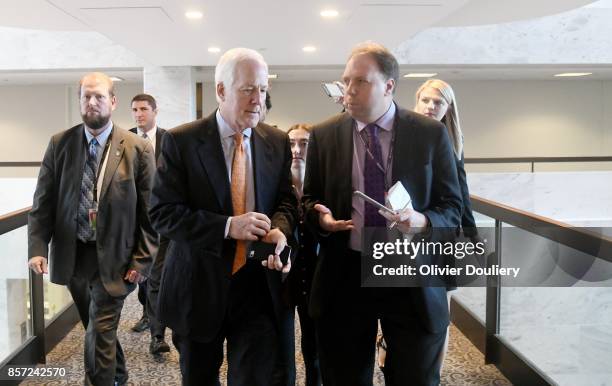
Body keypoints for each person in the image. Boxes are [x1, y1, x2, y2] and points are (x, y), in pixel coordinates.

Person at [302, 42, 462, 386]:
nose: (349, 90)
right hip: (345, 274)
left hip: (410, 274)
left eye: (360, 81)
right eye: (346, 81)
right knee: (344, 377)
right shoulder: (325, 134)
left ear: (389, 86)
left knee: (414, 377)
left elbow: (452, 206)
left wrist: (422, 220)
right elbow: (310, 200)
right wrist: (322, 220)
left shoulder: (430, 134)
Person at [149, 48, 297, 386]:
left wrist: (278, 230)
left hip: (258, 286)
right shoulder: (181, 141)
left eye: (262, 89)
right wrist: (229, 227)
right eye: (248, 89)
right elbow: (163, 213)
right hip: (198, 287)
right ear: (221, 91)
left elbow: (286, 202)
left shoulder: (276, 141)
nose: (258, 99)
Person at [27, 72, 158, 386]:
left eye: (99, 96)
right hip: (74, 256)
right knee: (97, 328)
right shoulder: (61, 143)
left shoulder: (137, 148)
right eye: (86, 96)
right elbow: (43, 201)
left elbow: (152, 213)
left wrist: (143, 260)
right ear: (79, 101)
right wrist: (37, 248)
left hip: (116, 259)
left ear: (112, 101)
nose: (92, 102)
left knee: (99, 329)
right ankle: (119, 375)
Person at [129, 93, 171, 357]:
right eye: (134, 109)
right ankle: (147, 313)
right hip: (134, 220)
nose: (138, 114)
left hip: (163, 220)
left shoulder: (169, 139)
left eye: (143, 109)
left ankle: (157, 335)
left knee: (155, 277)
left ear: (155, 111)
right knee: (143, 277)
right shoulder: (124, 139)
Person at [286, 124, 321, 386]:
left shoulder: (322, 182)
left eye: (304, 143)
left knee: (314, 338)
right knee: (281, 340)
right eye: (291, 143)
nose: (297, 150)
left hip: (315, 269)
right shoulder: (275, 181)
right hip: (283, 271)